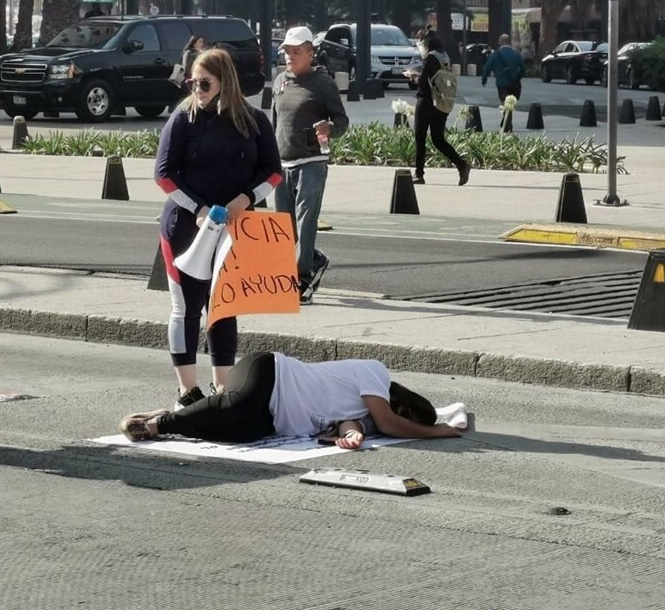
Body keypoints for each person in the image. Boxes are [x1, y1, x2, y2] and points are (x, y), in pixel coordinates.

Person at [154, 48, 282, 408]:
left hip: (235, 227)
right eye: (192, 81)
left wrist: (246, 198)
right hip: (185, 226)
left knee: (224, 307)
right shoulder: (183, 118)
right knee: (185, 307)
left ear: (226, 82)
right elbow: (163, 175)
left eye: (205, 83)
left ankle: (223, 390)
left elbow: (273, 171)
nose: (197, 88)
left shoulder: (254, 119)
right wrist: (198, 208)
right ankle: (187, 391)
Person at [119, 352, 465, 447]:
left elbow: (354, 422)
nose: (396, 419)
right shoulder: (376, 373)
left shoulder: (376, 421)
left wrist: (352, 435)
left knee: (238, 433)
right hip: (270, 373)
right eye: (403, 412)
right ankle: (157, 425)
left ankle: (175, 421)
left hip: (272, 418)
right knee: (237, 404)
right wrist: (437, 431)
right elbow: (390, 421)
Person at [271, 26, 349, 305]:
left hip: (312, 162)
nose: (291, 56)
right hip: (282, 163)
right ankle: (315, 259)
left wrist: (329, 128)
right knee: (284, 226)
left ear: (310, 53)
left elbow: (342, 121)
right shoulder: (280, 81)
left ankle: (302, 278)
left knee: (305, 223)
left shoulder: (323, 82)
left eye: (297, 52)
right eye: (287, 51)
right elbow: (275, 123)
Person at [407, 28, 470, 186]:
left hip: (427, 100)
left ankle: (419, 174)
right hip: (441, 102)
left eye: (419, 43)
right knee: (438, 139)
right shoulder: (444, 57)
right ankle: (461, 165)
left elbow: (423, 82)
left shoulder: (430, 58)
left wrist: (412, 76)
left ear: (425, 43)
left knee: (420, 137)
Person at [482, 34, 525, 132]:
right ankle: (505, 122)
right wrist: (517, 77)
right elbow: (523, 68)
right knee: (509, 104)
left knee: (506, 103)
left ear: (501, 41)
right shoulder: (516, 54)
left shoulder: (496, 54)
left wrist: (484, 79)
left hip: (502, 84)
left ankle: (507, 125)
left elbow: (487, 67)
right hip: (514, 84)